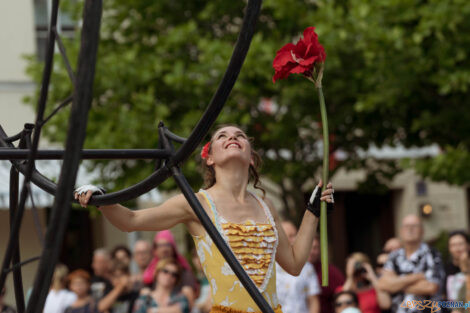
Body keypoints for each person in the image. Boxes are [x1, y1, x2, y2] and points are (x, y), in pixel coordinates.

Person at [75, 125, 334, 313]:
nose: (232, 137)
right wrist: (102, 199)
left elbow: (295, 264)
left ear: (251, 158)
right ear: (209, 158)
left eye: (240, 135)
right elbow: (130, 221)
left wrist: (312, 212)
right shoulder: (197, 202)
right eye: (222, 136)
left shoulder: (266, 205)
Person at [378, 214, 445, 313]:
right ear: (401, 231)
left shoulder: (432, 254)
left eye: (414, 226)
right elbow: (383, 284)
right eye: (406, 226)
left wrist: (396, 284)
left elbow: (431, 287)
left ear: (422, 231)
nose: (410, 230)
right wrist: (416, 277)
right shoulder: (394, 257)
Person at [143, 230, 197, 307]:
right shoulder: (150, 272)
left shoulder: (184, 271)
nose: (164, 249)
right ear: (155, 250)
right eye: (160, 245)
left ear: (173, 248)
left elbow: (189, 299)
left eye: (167, 245)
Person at [276, 221, 320, 313]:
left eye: (295, 235)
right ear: (279, 238)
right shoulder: (269, 267)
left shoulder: (308, 267)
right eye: (290, 236)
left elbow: (313, 301)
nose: (295, 239)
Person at [309, 236, 345, 313]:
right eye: (308, 247)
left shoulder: (330, 272)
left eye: (315, 248)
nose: (311, 251)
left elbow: (342, 294)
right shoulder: (291, 272)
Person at [445, 230, 470, 313]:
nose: (457, 248)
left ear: (468, 245)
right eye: (453, 245)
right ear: (449, 248)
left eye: (460, 244)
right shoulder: (446, 269)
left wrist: (465, 269)